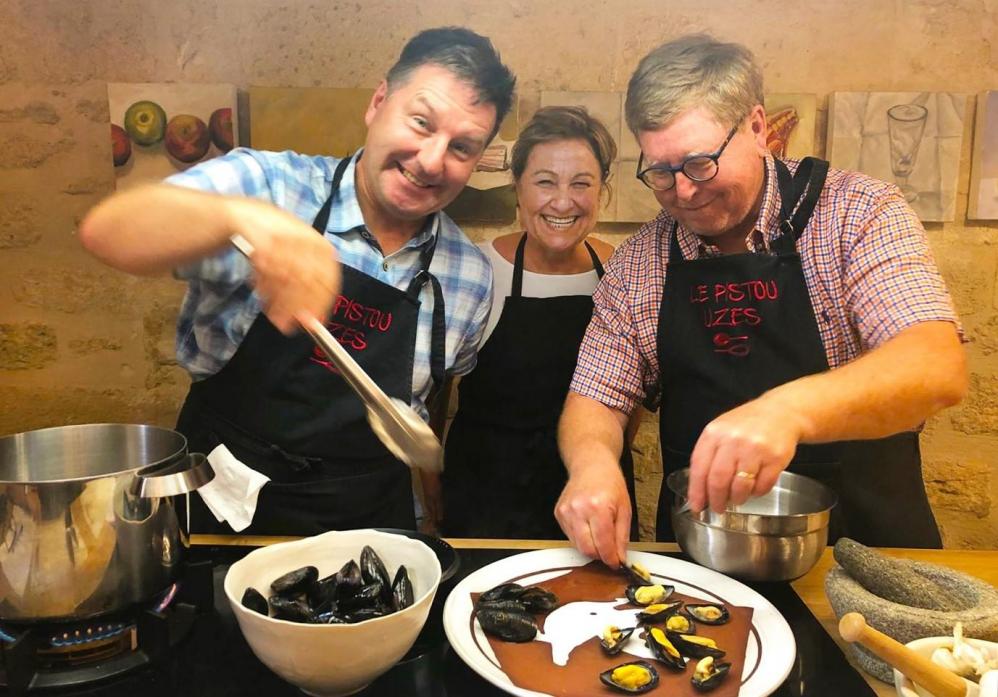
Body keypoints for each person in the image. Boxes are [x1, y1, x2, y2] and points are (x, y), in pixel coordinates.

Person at [79, 27, 516, 536]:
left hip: (367, 528)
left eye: (462, 148)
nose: (431, 160)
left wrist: (431, 510)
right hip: (223, 512)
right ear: (378, 103)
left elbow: (425, 410)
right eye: (421, 123)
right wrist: (240, 221)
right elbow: (110, 231)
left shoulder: (467, 274)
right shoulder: (271, 186)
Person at [555, 34, 967, 567]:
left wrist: (785, 411)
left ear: (756, 127)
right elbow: (595, 397)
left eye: (700, 163)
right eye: (659, 173)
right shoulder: (640, 263)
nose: (682, 192)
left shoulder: (857, 212)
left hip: (869, 545)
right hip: (706, 553)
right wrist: (591, 466)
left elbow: (935, 365)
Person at [422, 106, 639, 540]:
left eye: (582, 183)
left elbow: (630, 397)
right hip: (486, 494)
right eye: (544, 182)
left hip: (591, 496)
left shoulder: (618, 271)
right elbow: (432, 398)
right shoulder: (479, 269)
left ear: (602, 193)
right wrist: (431, 497)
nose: (563, 201)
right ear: (518, 190)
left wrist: (608, 464)